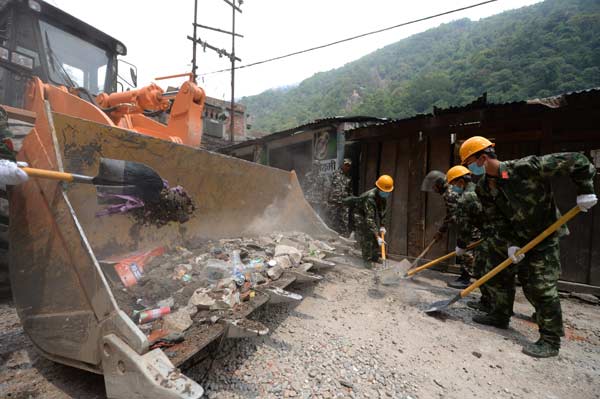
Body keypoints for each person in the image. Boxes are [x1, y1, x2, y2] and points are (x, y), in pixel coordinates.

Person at [457, 136, 597, 358]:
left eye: (470, 163)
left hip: (545, 235)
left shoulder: (525, 168)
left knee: (540, 287)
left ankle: (550, 340)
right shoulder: (485, 188)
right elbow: (498, 220)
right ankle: (499, 315)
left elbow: (577, 160)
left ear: (483, 158)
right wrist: (511, 244)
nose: (470, 169)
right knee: (499, 275)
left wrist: (585, 189)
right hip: (518, 239)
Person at [447, 165, 494, 313]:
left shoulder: (466, 197)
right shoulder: (478, 188)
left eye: (453, 184)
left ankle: (490, 304)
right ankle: (487, 302)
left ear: (461, 181)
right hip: (489, 233)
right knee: (486, 269)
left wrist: (461, 244)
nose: (453, 187)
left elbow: (465, 226)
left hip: (483, 236)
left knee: (481, 270)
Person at [421, 170, 472, 289]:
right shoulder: (450, 191)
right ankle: (465, 276)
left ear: (439, 185)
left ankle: (465, 279)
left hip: (470, 225)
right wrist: (441, 232)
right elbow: (451, 214)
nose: (433, 189)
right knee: (466, 250)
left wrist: (442, 231)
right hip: (468, 224)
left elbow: (453, 215)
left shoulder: (449, 194)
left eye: (434, 186)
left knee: (467, 251)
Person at [343, 175, 394, 266]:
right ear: (378, 188)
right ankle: (367, 262)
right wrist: (377, 236)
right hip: (360, 215)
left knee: (374, 235)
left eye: (388, 192)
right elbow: (369, 219)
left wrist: (382, 226)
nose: (386, 193)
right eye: (385, 191)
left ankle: (374, 257)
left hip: (369, 215)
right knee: (367, 237)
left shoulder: (382, 196)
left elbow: (382, 211)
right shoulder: (370, 198)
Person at [326, 159, 352, 236]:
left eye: (348, 166)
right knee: (331, 219)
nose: (347, 167)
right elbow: (328, 187)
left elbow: (350, 190)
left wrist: (350, 200)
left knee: (344, 221)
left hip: (344, 201)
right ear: (342, 165)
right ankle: (330, 235)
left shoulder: (349, 177)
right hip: (334, 201)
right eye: (346, 165)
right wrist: (326, 199)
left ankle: (344, 236)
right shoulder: (334, 174)